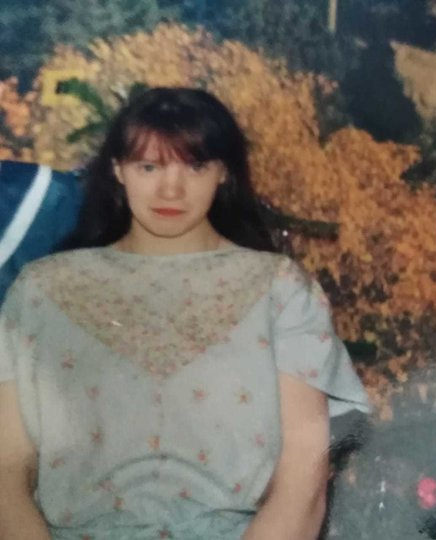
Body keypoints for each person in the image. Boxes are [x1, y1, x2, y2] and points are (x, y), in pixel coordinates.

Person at [0, 87, 369, 540]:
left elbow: (303, 478)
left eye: (194, 167)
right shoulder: (41, 291)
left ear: (223, 172)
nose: (170, 189)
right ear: (117, 169)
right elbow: (6, 473)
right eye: (149, 167)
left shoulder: (280, 290)